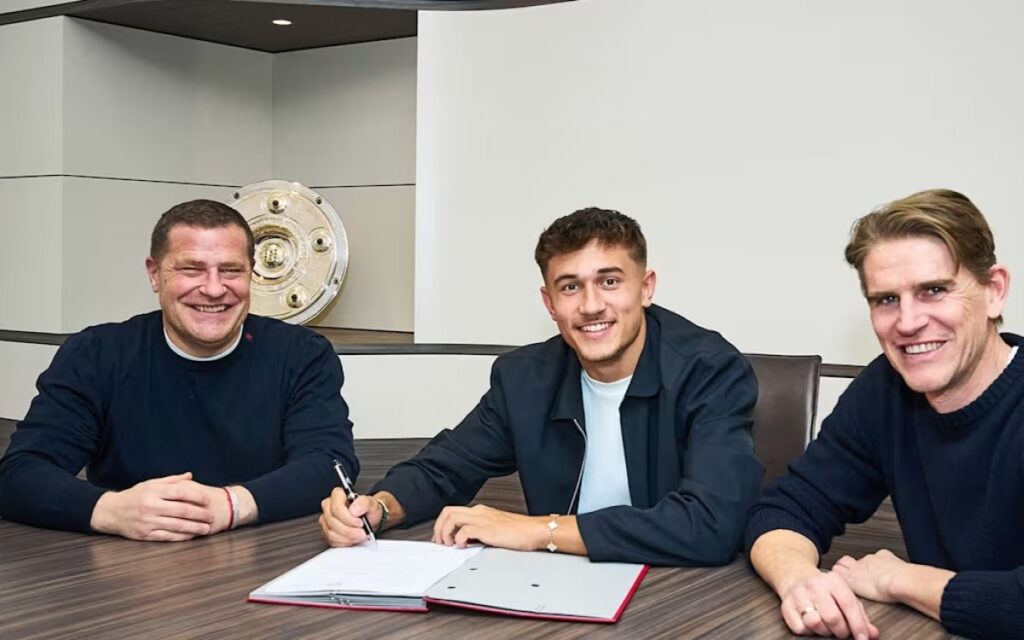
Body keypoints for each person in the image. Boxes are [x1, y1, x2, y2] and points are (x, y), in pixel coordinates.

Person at [319, 207, 762, 566]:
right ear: (549, 302)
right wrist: (379, 508)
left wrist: (538, 531)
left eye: (609, 281)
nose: (591, 305)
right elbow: (445, 468)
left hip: (681, 595)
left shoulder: (710, 372)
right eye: (570, 287)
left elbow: (711, 525)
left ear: (646, 289)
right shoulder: (525, 378)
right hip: (557, 588)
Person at [746, 189, 1024, 639]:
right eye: (886, 300)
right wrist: (799, 580)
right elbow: (786, 508)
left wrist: (901, 579)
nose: (908, 322)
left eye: (934, 290)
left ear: (994, 291)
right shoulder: (884, 390)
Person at [0, 199, 357, 542]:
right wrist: (111, 511)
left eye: (231, 270)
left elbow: (330, 465)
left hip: (266, 554)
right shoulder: (96, 354)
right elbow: (19, 473)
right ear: (155, 274)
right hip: (125, 562)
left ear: (252, 274)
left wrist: (229, 506)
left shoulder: (301, 354)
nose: (214, 289)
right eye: (191, 269)